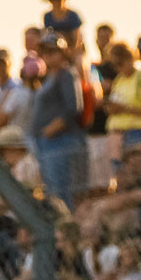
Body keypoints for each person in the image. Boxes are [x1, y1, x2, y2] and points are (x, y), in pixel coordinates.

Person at [31, 32, 87, 211]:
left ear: (62, 53)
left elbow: (74, 107)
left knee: (61, 190)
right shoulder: (48, 77)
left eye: (53, 51)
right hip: (46, 143)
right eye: (45, 52)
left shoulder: (67, 74)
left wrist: (52, 128)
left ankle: (66, 224)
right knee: (52, 190)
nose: (48, 55)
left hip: (60, 141)